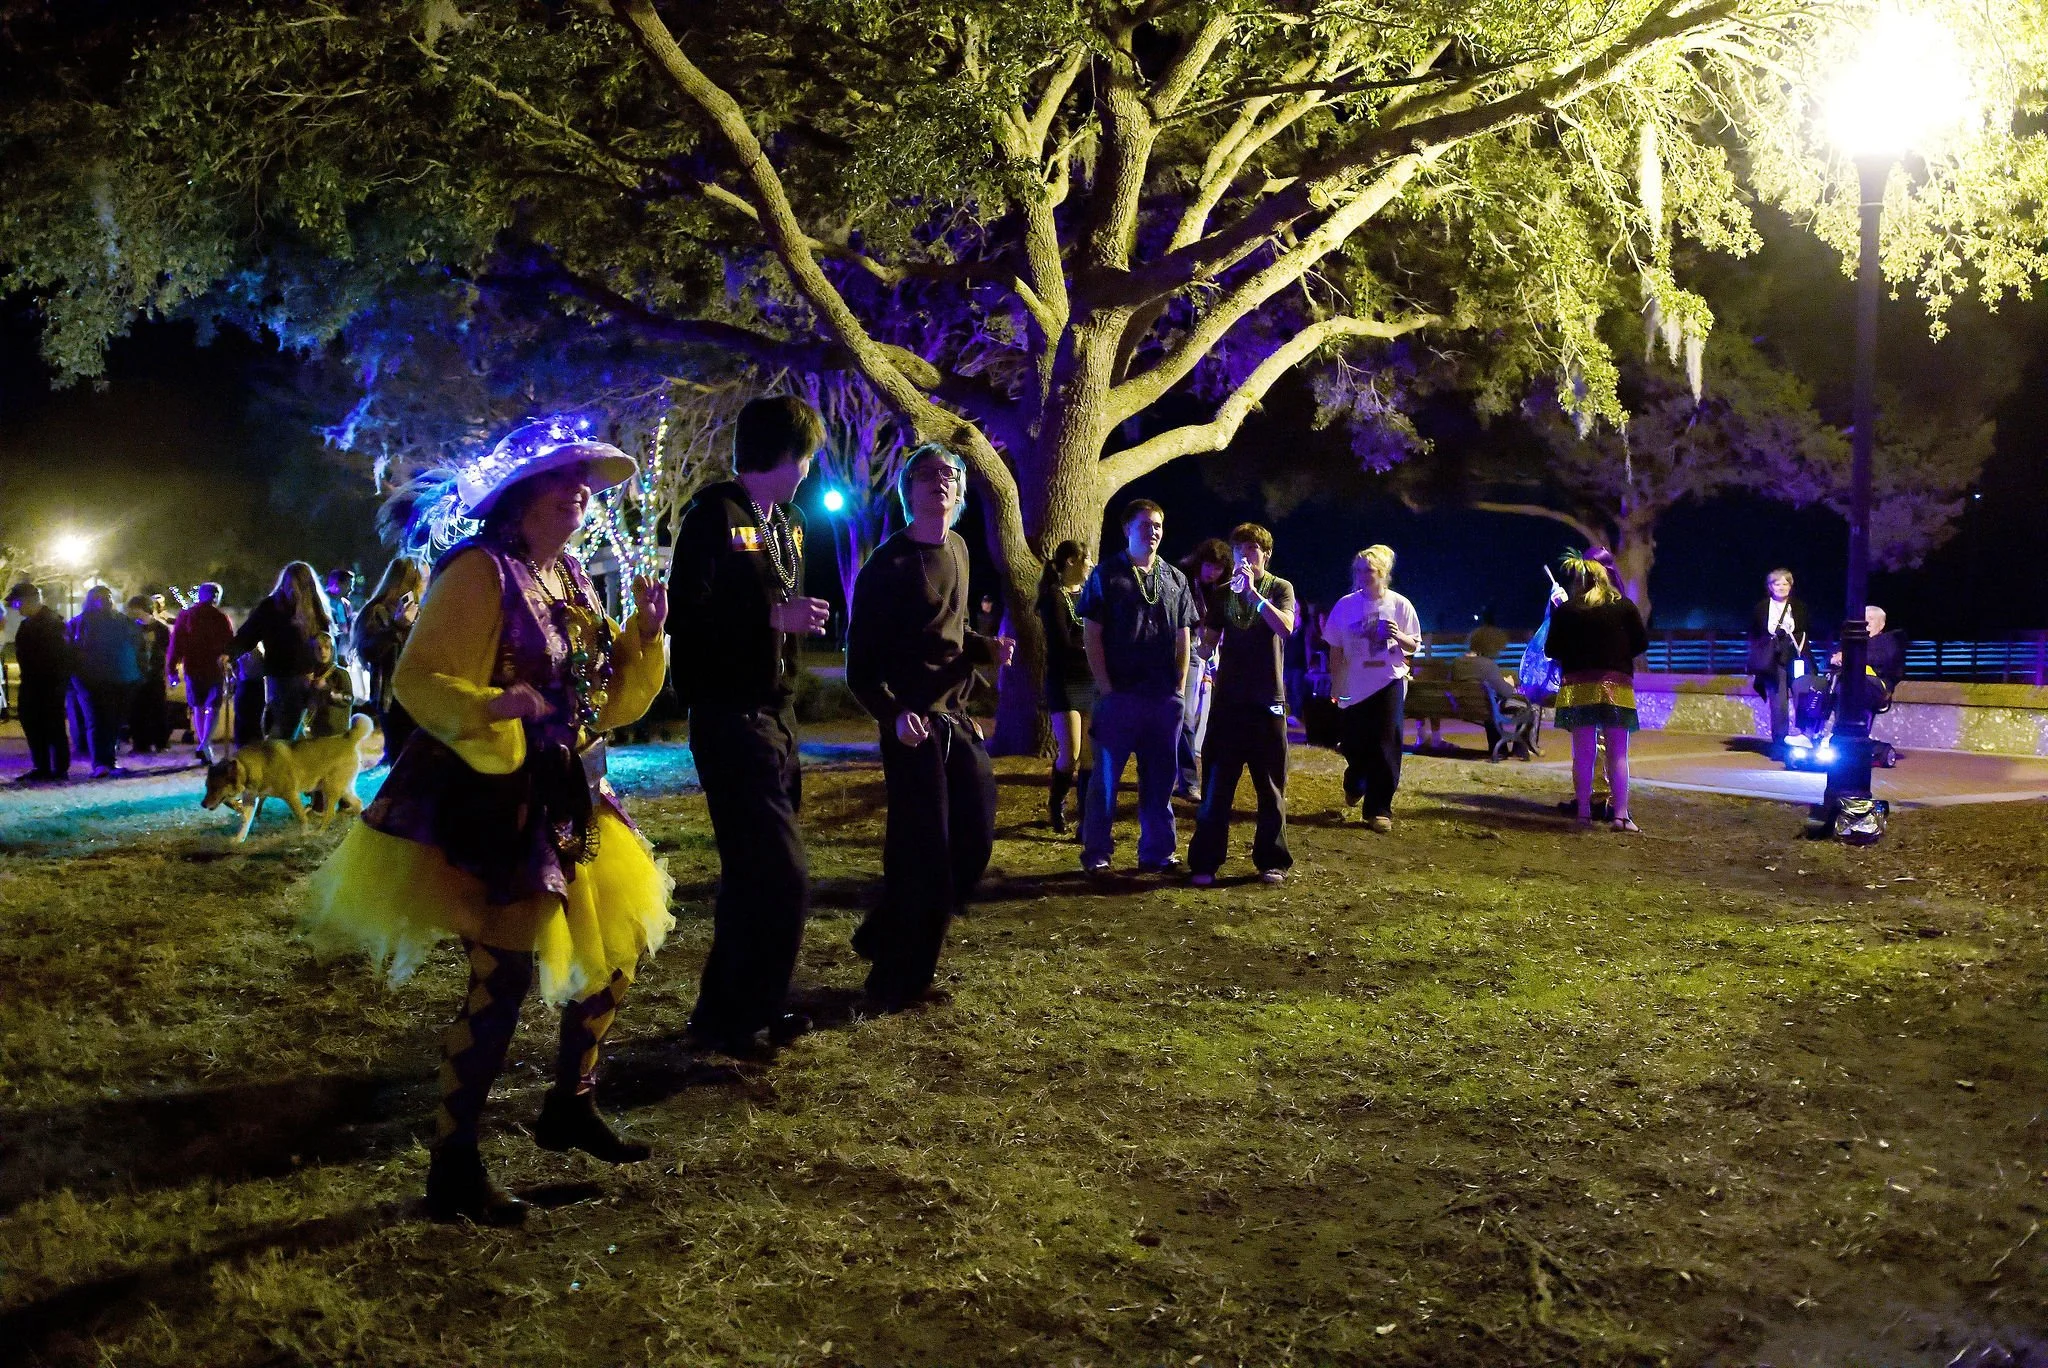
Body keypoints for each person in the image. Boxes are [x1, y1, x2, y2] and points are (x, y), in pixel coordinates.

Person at [303, 419, 674, 1226]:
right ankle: (454, 1165)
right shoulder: (479, 573)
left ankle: (570, 1104)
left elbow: (602, 690)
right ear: (523, 494)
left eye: (586, 478)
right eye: (564, 478)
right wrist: (490, 704)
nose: (581, 490)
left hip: (572, 792)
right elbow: (419, 678)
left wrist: (644, 634)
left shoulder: (570, 575)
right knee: (500, 982)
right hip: (497, 804)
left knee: (619, 947)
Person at [667, 395, 832, 1055]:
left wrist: (792, 631)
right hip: (730, 717)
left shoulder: (785, 523)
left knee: (749, 874)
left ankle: (734, 1014)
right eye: (808, 457)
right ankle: (749, 1008)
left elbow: (782, 599)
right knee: (780, 872)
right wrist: (769, 620)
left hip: (777, 712)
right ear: (783, 455)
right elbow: (689, 615)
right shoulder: (714, 517)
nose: (811, 472)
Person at [846, 443, 1014, 1011]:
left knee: (976, 832)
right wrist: (895, 715)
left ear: (961, 491)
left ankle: (882, 930)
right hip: (912, 727)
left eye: (949, 474)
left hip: (956, 718)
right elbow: (859, 671)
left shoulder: (961, 551)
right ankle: (901, 977)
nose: (939, 482)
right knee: (924, 854)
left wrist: (985, 648)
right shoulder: (885, 568)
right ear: (908, 490)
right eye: (926, 474)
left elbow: (952, 633)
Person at [1077, 498, 1200, 875]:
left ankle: (1158, 851)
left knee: (1160, 781)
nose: (1153, 532)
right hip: (1120, 697)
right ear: (1128, 529)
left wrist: (1179, 688)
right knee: (1106, 782)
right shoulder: (1106, 574)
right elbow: (1092, 635)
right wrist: (1107, 687)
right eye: (1145, 525)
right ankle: (1097, 853)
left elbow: (1184, 636)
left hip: (1162, 699)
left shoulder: (1176, 579)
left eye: (1158, 526)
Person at [1188, 524, 1297, 887]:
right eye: (1238, 551)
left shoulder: (1280, 588)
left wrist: (1253, 596)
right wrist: (1200, 642)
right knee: (1218, 785)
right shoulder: (1221, 595)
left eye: (1251, 550)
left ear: (1265, 555)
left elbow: (1285, 628)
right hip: (1228, 703)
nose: (1244, 557)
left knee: (1270, 787)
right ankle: (1205, 861)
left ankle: (1272, 860)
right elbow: (1209, 641)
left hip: (1268, 702)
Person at [1548, 552, 1650, 832]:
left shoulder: (1569, 610)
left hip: (1578, 685)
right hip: (1616, 685)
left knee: (1583, 753)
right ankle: (1621, 815)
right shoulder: (1625, 607)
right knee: (1618, 753)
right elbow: (1641, 643)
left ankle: (1583, 813)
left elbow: (1551, 650)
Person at [1324, 545, 1421, 832]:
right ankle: (1355, 781)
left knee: (1386, 744)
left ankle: (1379, 809)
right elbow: (1335, 647)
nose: (1364, 575)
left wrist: (1399, 635)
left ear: (1383, 573)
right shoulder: (1345, 605)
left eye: (1370, 571)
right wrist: (1336, 680)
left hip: (1388, 679)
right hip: (1355, 682)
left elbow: (1413, 646)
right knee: (1355, 744)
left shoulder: (1400, 604)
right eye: (1359, 570)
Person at [230, 562, 335, 740]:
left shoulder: (315, 608)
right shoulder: (271, 607)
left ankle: (292, 761)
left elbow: (327, 642)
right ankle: (280, 759)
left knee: (302, 726)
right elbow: (249, 633)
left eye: (296, 587)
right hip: (280, 676)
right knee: (284, 725)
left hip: (308, 676)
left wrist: (324, 673)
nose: (292, 592)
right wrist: (230, 652)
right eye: (289, 586)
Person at [1035, 539, 1094, 835]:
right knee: (1070, 752)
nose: (1091, 565)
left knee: (1089, 755)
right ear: (1071, 561)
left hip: (1091, 680)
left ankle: (1086, 818)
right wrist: (1094, 648)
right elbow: (1062, 642)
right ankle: (1056, 802)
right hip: (1065, 680)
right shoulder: (1053, 598)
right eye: (1087, 559)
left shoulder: (1088, 595)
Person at [355, 555, 427, 767]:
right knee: (401, 759)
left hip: (421, 695)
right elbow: (368, 651)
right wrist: (396, 627)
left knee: (419, 759)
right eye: (424, 579)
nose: (427, 585)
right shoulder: (378, 611)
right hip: (393, 697)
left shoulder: (420, 609)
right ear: (411, 581)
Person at [1175, 538, 1231, 801]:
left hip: (1199, 652)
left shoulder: (1220, 589)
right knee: (1178, 713)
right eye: (1209, 565)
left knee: (1189, 714)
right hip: (1172, 648)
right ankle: (1179, 777)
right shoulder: (1181, 577)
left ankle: (1188, 780)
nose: (1212, 572)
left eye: (1218, 568)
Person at [68, 585, 145, 778]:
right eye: (101, 598)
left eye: (107, 597)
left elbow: (138, 647)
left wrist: (138, 671)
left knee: (111, 722)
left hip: (117, 679)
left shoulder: (121, 622)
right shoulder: (81, 623)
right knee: (97, 720)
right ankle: (101, 762)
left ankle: (107, 761)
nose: (105, 601)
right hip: (92, 680)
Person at [6, 582, 72, 783]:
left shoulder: (52, 623)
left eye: (18, 604)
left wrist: (58, 682)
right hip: (32, 683)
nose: (17, 610)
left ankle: (59, 768)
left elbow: (61, 657)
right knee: (33, 725)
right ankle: (41, 766)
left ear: (29, 601)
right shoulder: (29, 624)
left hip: (49, 685)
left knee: (52, 726)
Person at [169, 582, 236, 764]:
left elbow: (176, 644)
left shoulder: (189, 616)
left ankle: (204, 744)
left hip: (199, 667)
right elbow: (230, 644)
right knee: (209, 705)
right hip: (208, 667)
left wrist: (172, 668)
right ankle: (205, 743)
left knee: (202, 705)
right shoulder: (218, 617)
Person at [1748, 567, 1811, 751]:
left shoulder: (1799, 607)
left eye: (1786, 583)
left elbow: (1807, 629)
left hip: (1796, 655)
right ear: (1770, 586)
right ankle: (1780, 744)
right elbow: (1754, 632)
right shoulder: (1761, 608)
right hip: (1773, 659)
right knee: (1778, 702)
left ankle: (1804, 737)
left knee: (1803, 695)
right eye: (1777, 583)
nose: (1782, 587)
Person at [1453, 625, 1536, 758]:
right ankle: (1520, 748)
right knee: (1528, 709)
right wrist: (1509, 682)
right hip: (1486, 707)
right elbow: (1507, 693)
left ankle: (1499, 747)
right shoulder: (1487, 664)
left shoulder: (1457, 662)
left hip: (1464, 707)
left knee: (1488, 706)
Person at [125, 594, 173, 755]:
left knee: (158, 708)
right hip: (137, 674)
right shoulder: (131, 627)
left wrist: (167, 670)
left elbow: (167, 651)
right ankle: (141, 743)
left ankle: (161, 742)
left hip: (155, 673)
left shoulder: (161, 629)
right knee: (137, 709)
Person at [304, 632, 357, 738]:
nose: (323, 652)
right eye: (318, 649)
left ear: (332, 650)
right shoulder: (312, 674)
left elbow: (349, 698)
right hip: (316, 730)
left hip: (336, 732)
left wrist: (327, 689)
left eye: (326, 648)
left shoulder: (340, 673)